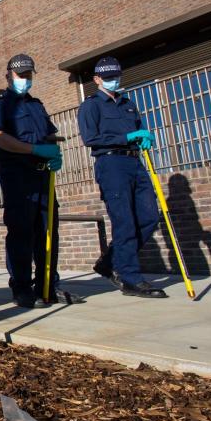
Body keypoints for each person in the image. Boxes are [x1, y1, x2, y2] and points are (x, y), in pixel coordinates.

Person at [0, 54, 80, 308]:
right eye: (20, 75)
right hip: (17, 176)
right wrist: (34, 150)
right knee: (21, 233)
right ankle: (21, 287)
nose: (24, 79)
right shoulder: (0, 105)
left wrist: (55, 154)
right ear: (8, 76)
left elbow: (51, 136)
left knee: (48, 232)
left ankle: (48, 286)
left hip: (43, 176)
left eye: (28, 75)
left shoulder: (37, 105)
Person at [78, 56, 166, 298]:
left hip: (134, 162)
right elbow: (90, 139)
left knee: (149, 217)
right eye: (107, 78)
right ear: (97, 80)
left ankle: (110, 262)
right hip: (110, 163)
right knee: (124, 221)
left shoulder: (128, 104)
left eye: (115, 77)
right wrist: (126, 138)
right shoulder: (91, 105)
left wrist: (142, 138)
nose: (112, 81)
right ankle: (130, 278)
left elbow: (137, 130)